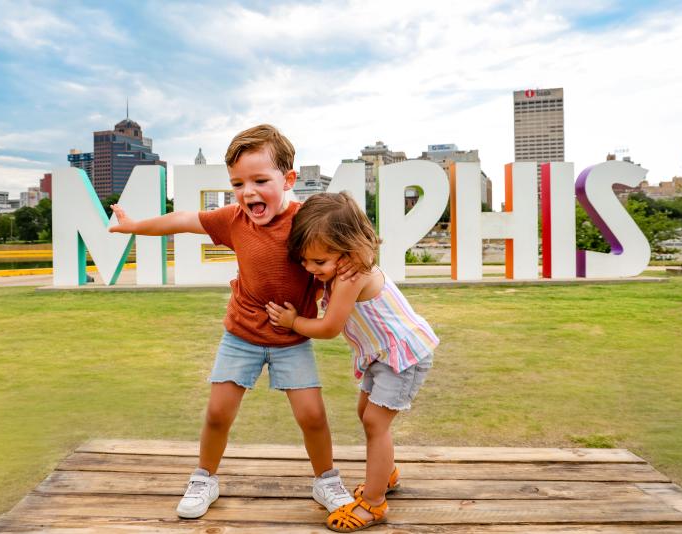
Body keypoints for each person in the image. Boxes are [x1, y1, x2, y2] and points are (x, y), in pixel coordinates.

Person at [109, 125, 354, 519]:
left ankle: (326, 479)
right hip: (241, 335)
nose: (249, 192)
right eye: (238, 183)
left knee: (313, 416)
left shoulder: (307, 220)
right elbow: (185, 219)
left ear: (288, 180)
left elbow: (345, 245)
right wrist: (133, 226)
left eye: (260, 180)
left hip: (292, 337)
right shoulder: (234, 218)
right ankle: (205, 477)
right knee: (218, 413)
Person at [266, 191, 439, 532]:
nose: (310, 270)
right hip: (381, 355)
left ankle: (374, 504)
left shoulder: (350, 275)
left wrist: (292, 323)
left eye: (318, 263)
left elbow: (329, 327)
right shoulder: (342, 267)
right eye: (305, 261)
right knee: (366, 415)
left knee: (376, 422)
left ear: (349, 250)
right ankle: (385, 473)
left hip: (402, 356)